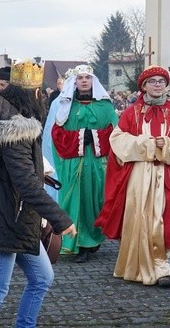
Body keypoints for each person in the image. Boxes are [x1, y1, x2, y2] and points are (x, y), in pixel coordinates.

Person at [0, 60, 77, 327]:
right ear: (32, 93)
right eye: (40, 92)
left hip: (18, 218)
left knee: (42, 278)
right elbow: (25, 183)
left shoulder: (5, 117)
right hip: (3, 219)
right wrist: (61, 219)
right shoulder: (15, 129)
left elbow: (17, 173)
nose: (42, 98)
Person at [95, 65, 170, 288]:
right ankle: (137, 263)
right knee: (140, 217)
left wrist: (167, 145)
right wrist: (146, 144)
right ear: (144, 86)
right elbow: (117, 140)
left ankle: (162, 265)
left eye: (161, 81)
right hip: (139, 174)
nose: (157, 85)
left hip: (169, 173)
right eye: (153, 81)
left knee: (166, 216)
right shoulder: (131, 112)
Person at [42, 64, 118, 263]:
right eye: (80, 78)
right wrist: (81, 137)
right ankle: (79, 243)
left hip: (97, 164)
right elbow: (56, 134)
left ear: (93, 81)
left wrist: (94, 136)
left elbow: (116, 133)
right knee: (75, 202)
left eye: (88, 77)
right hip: (73, 165)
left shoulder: (105, 106)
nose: (84, 80)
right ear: (74, 82)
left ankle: (93, 238)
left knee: (95, 201)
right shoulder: (66, 105)